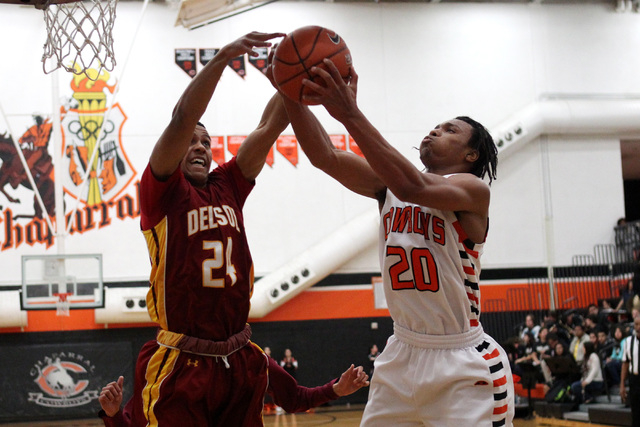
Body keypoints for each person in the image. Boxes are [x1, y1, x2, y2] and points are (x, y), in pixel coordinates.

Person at [274, 58, 514, 426]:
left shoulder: (471, 190)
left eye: (449, 130)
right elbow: (324, 156)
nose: (435, 131)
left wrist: (349, 113)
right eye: (435, 126)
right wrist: (289, 87)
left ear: (471, 155)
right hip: (401, 353)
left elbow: (413, 186)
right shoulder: (389, 187)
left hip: (463, 360)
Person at [98, 31, 291, 427]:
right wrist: (222, 59)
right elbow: (183, 117)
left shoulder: (228, 185)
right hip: (182, 359)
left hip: (236, 353)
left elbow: (270, 126)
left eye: (206, 141)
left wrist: (293, 79)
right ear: (173, 146)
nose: (200, 145)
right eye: (191, 141)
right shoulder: (162, 192)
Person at [99, 360, 370, 425]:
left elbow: (295, 398)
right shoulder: (162, 360)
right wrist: (113, 415)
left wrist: (336, 389)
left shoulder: (254, 358)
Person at [620, 315, 640, 427]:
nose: (638, 327)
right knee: (636, 413)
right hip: (634, 380)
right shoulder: (628, 341)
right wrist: (622, 384)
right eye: (636, 324)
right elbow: (625, 363)